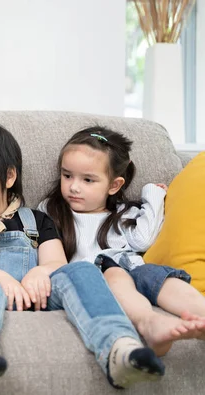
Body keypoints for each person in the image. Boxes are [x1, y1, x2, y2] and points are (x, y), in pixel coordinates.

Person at [0, 120, 165, 392]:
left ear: (9, 177)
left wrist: (40, 272)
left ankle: (118, 347)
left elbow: (56, 264)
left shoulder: (37, 219)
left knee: (81, 270)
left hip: (38, 295)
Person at [38, 126, 205, 357]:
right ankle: (149, 323)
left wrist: (153, 194)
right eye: (67, 176)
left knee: (161, 277)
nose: (74, 186)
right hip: (93, 279)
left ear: (114, 185)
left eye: (88, 179)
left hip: (134, 270)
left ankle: (201, 313)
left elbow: (143, 240)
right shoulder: (51, 210)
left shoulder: (124, 213)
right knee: (115, 273)